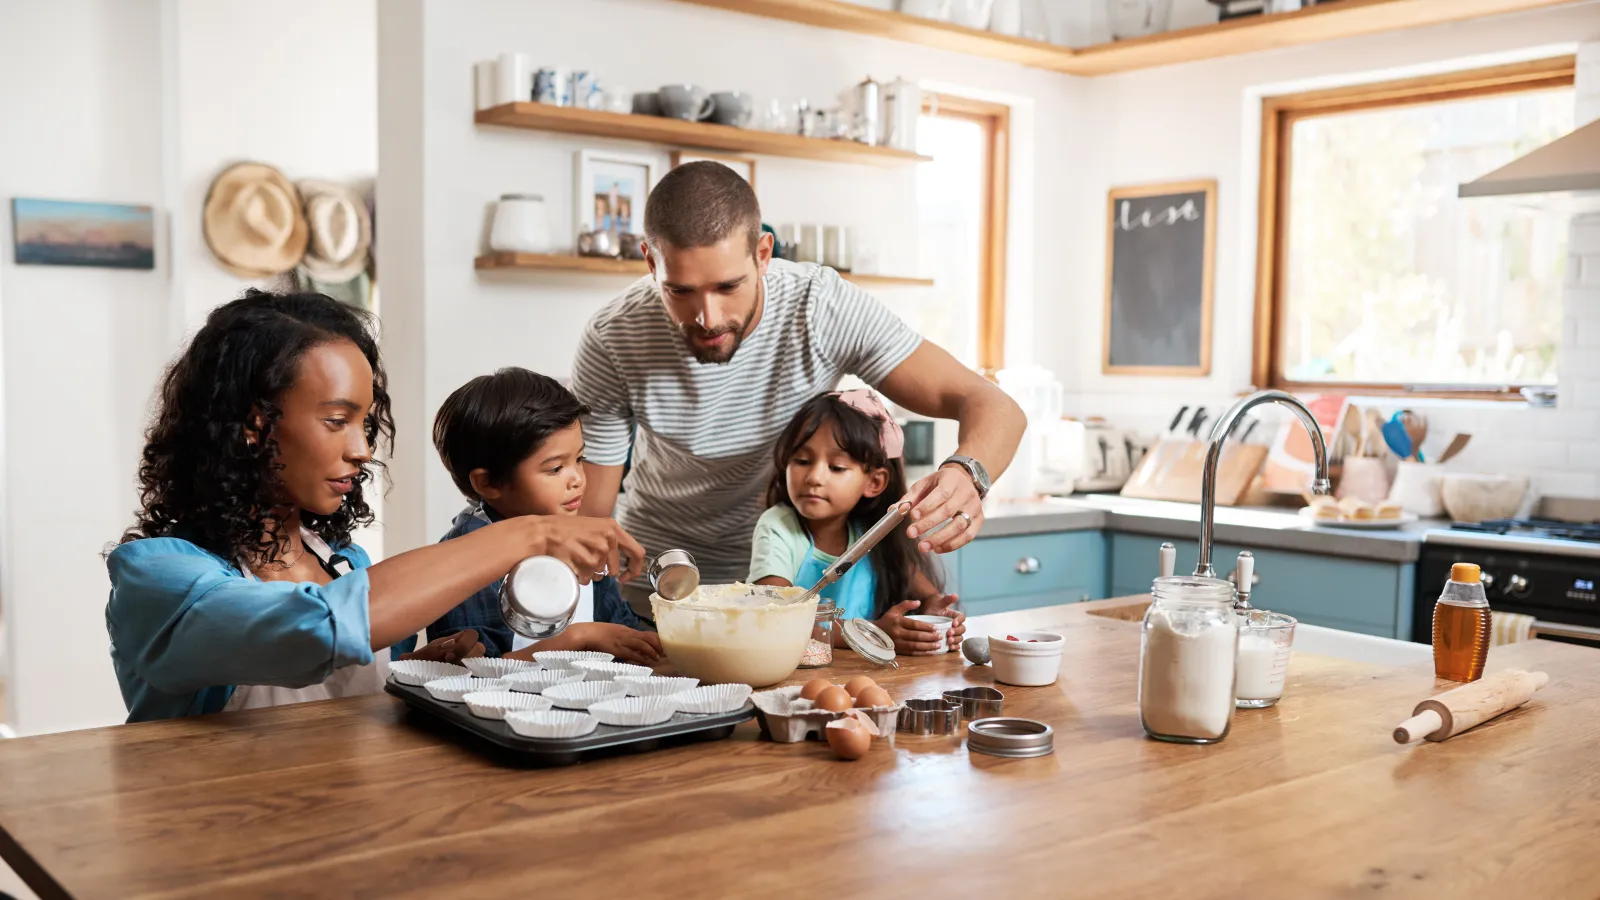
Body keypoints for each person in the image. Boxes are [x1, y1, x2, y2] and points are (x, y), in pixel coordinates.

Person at [106, 290, 644, 722]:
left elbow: (346, 705)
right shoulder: (158, 582)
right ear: (253, 426)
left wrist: (416, 669)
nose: (363, 450)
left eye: (365, 423)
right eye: (337, 421)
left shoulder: (344, 562)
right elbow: (313, 630)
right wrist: (532, 534)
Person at [573, 161, 1026, 612]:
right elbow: (589, 515)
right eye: (681, 291)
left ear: (764, 254)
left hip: (791, 586)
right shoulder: (615, 335)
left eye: (728, 286)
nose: (707, 317)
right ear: (651, 262)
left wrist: (969, 472)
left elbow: (993, 405)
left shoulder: (820, 307)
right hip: (658, 587)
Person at [399, 367, 662, 663]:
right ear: (489, 483)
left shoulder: (582, 540)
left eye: (579, 459)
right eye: (555, 468)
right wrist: (579, 638)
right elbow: (473, 670)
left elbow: (621, 631)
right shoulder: (465, 560)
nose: (576, 478)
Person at [750, 391, 966, 656]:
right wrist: (872, 634)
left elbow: (927, 595)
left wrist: (934, 613)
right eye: (802, 461)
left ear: (874, 482)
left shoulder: (874, 533)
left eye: (837, 467)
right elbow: (777, 614)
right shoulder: (778, 528)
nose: (814, 477)